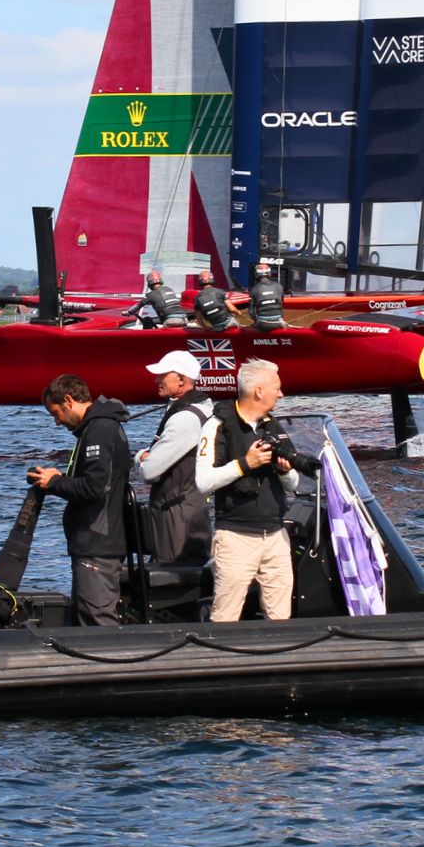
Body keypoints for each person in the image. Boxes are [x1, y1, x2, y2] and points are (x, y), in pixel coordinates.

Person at [194, 359, 301, 621]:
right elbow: (203, 482)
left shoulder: (272, 425)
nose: (281, 393)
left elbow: (295, 484)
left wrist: (285, 471)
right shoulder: (216, 425)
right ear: (259, 391)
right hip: (236, 538)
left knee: (281, 618)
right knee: (226, 616)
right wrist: (245, 464)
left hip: (276, 535)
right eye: (276, 387)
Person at [26, 374, 134, 625]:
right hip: (93, 542)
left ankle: (112, 662)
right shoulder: (95, 429)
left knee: (97, 619)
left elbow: (95, 487)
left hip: (98, 544)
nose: (56, 422)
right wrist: (60, 478)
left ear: (68, 400)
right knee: (84, 617)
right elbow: (95, 480)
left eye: (56, 413)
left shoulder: (100, 429)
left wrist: (55, 483)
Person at [136, 349, 214, 566]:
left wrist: (140, 456)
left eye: (163, 375)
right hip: (190, 512)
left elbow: (150, 471)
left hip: (177, 519)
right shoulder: (202, 408)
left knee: (172, 578)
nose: (156, 380)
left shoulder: (185, 418)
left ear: (182, 380)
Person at [247, 261, 286, 332]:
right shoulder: (279, 286)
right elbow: (281, 304)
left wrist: (256, 322)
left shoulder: (254, 290)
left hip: (262, 324)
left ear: (256, 275)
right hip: (279, 322)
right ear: (269, 274)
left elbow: (251, 312)